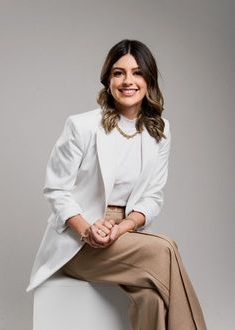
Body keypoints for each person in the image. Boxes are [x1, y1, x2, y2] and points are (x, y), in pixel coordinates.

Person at [27, 39, 207, 329]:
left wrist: (121, 228)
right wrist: (87, 229)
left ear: (149, 80)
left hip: (125, 234)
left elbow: (152, 197)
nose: (128, 81)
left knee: (153, 298)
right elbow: (56, 189)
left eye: (137, 73)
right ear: (107, 81)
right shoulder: (82, 125)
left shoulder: (160, 131)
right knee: (166, 248)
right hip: (79, 243)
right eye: (118, 73)